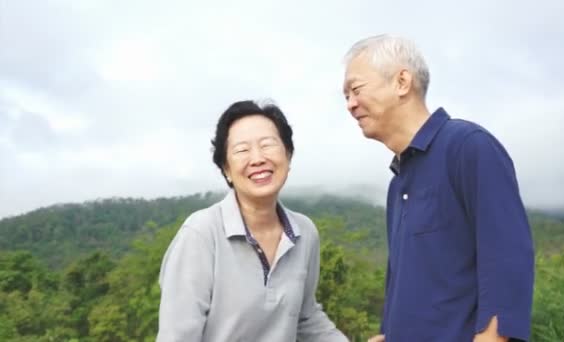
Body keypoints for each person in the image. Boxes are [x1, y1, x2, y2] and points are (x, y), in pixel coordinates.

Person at [342, 34, 535, 341]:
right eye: (346, 97)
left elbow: (508, 261)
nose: (350, 104)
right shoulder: (397, 185)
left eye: (355, 89)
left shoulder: (468, 148)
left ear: (402, 82)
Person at [156, 100, 347, 341]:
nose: (257, 159)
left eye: (267, 145)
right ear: (226, 168)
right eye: (242, 150)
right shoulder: (202, 233)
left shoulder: (304, 233)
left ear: (288, 155)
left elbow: (305, 318)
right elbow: (178, 335)